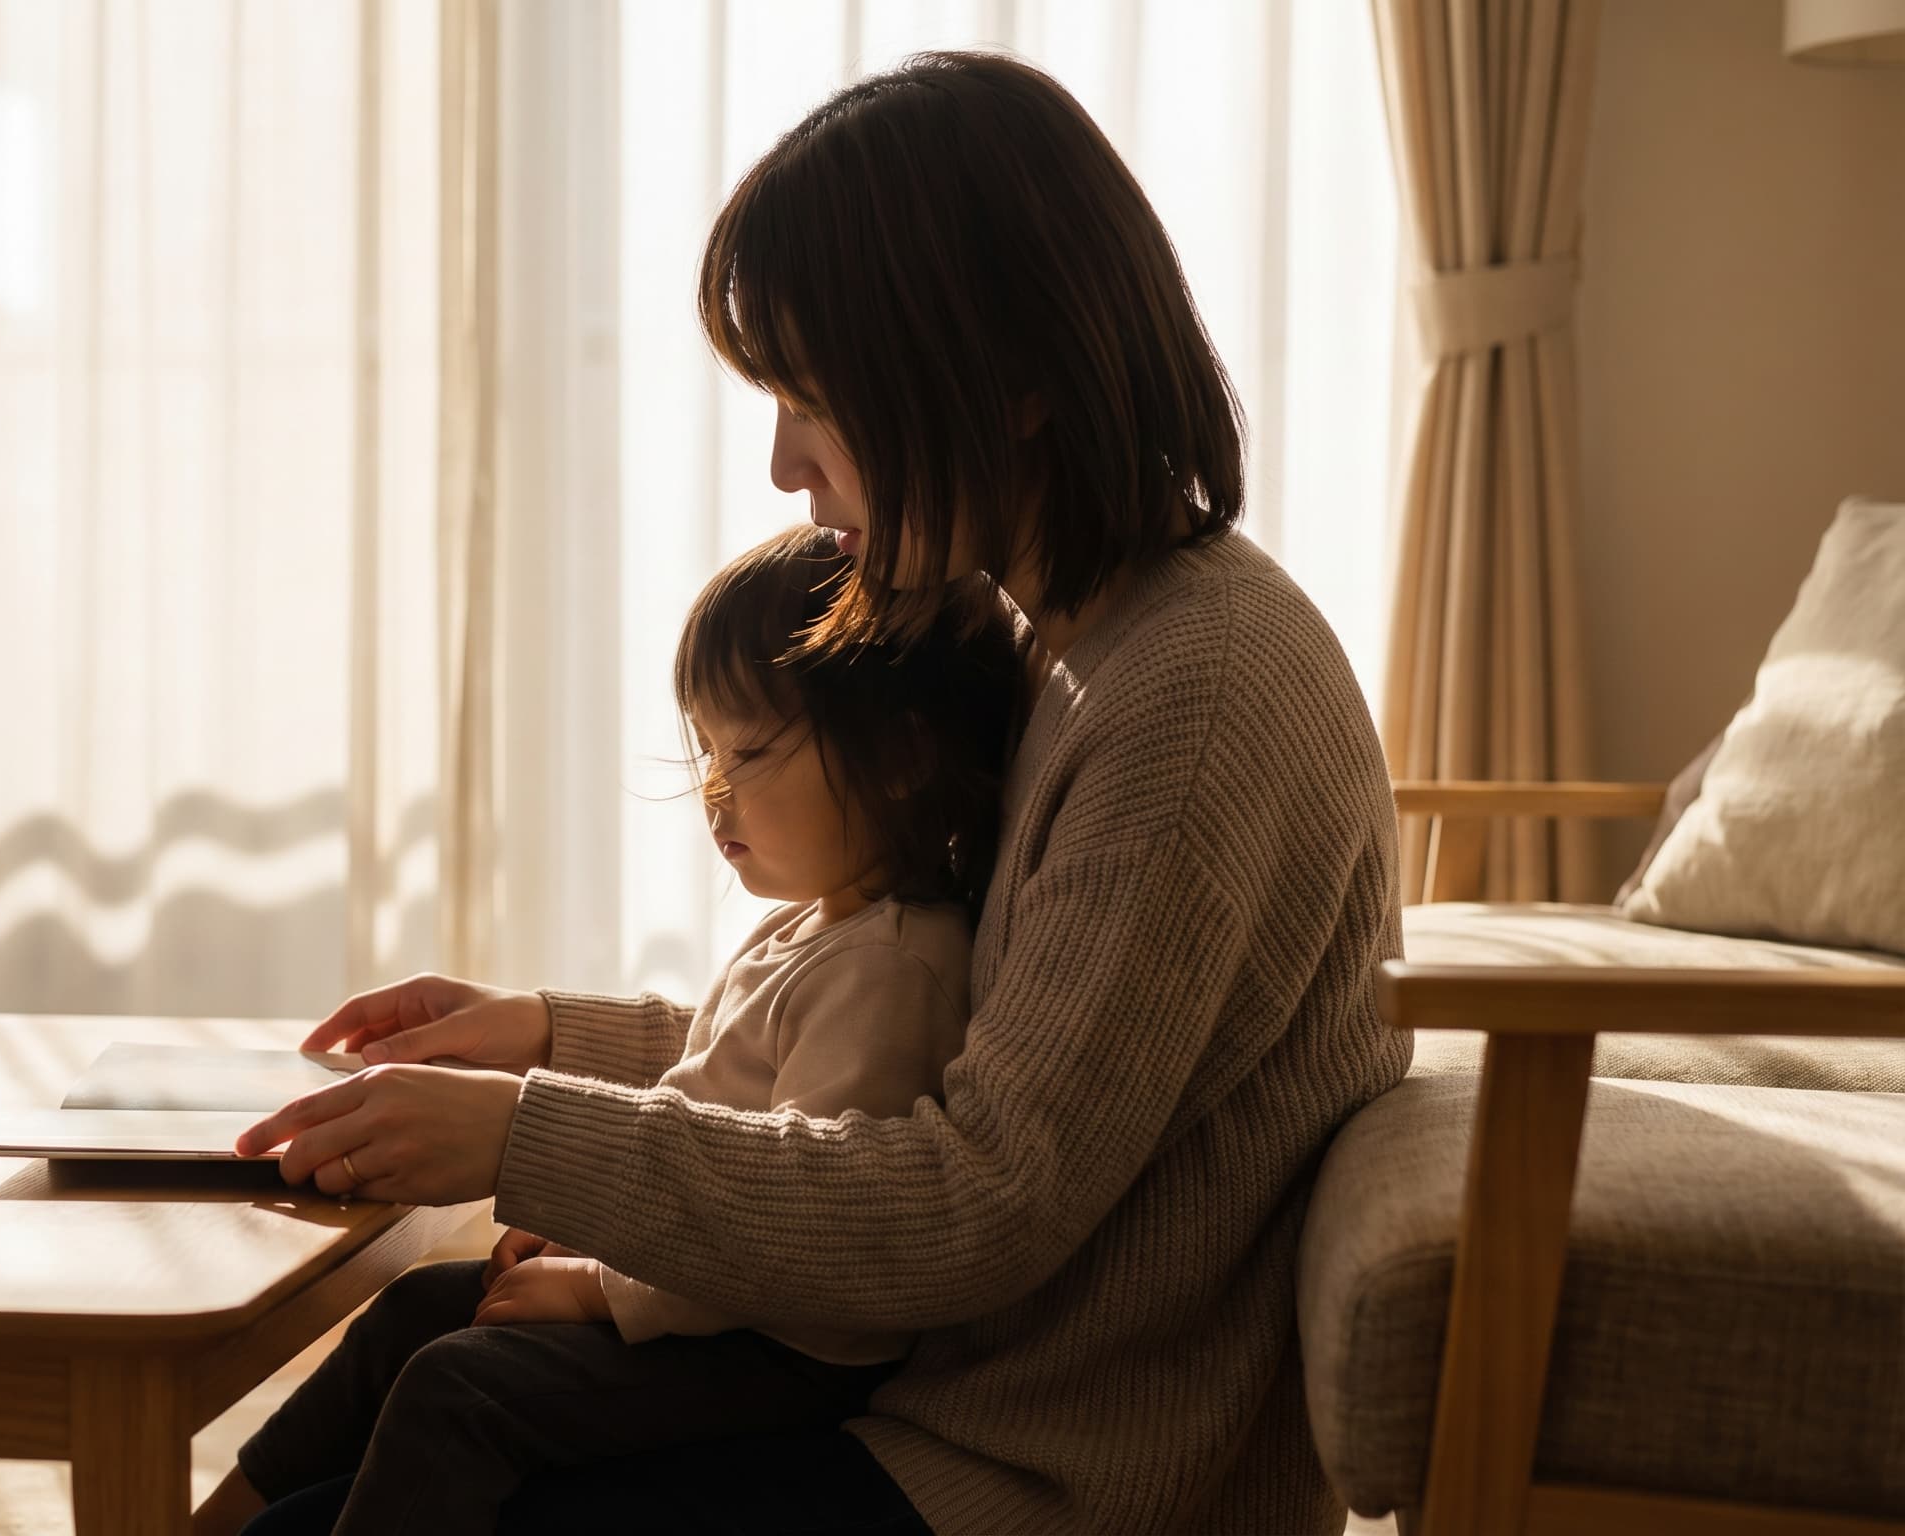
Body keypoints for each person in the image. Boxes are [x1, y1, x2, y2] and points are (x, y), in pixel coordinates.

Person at [230, 50, 1410, 1535]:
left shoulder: (1188, 697)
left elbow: (969, 1203)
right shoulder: (1075, 640)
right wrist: (550, 1037)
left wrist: (527, 1134)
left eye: (815, 397)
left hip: (1022, 1480)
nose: (788, 463)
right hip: (924, 1407)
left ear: (1013, 380)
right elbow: (896, 1036)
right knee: (356, 1456)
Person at [196, 525, 1020, 1536]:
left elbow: (803, 1234)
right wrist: (589, 1222)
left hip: (778, 1354)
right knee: (413, 1312)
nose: (714, 791)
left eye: (750, 752)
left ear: (899, 757)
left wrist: (599, 1285)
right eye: (708, 751)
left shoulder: (892, 968)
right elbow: (711, 1104)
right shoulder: (815, 927)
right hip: (701, 1293)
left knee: (462, 1390)